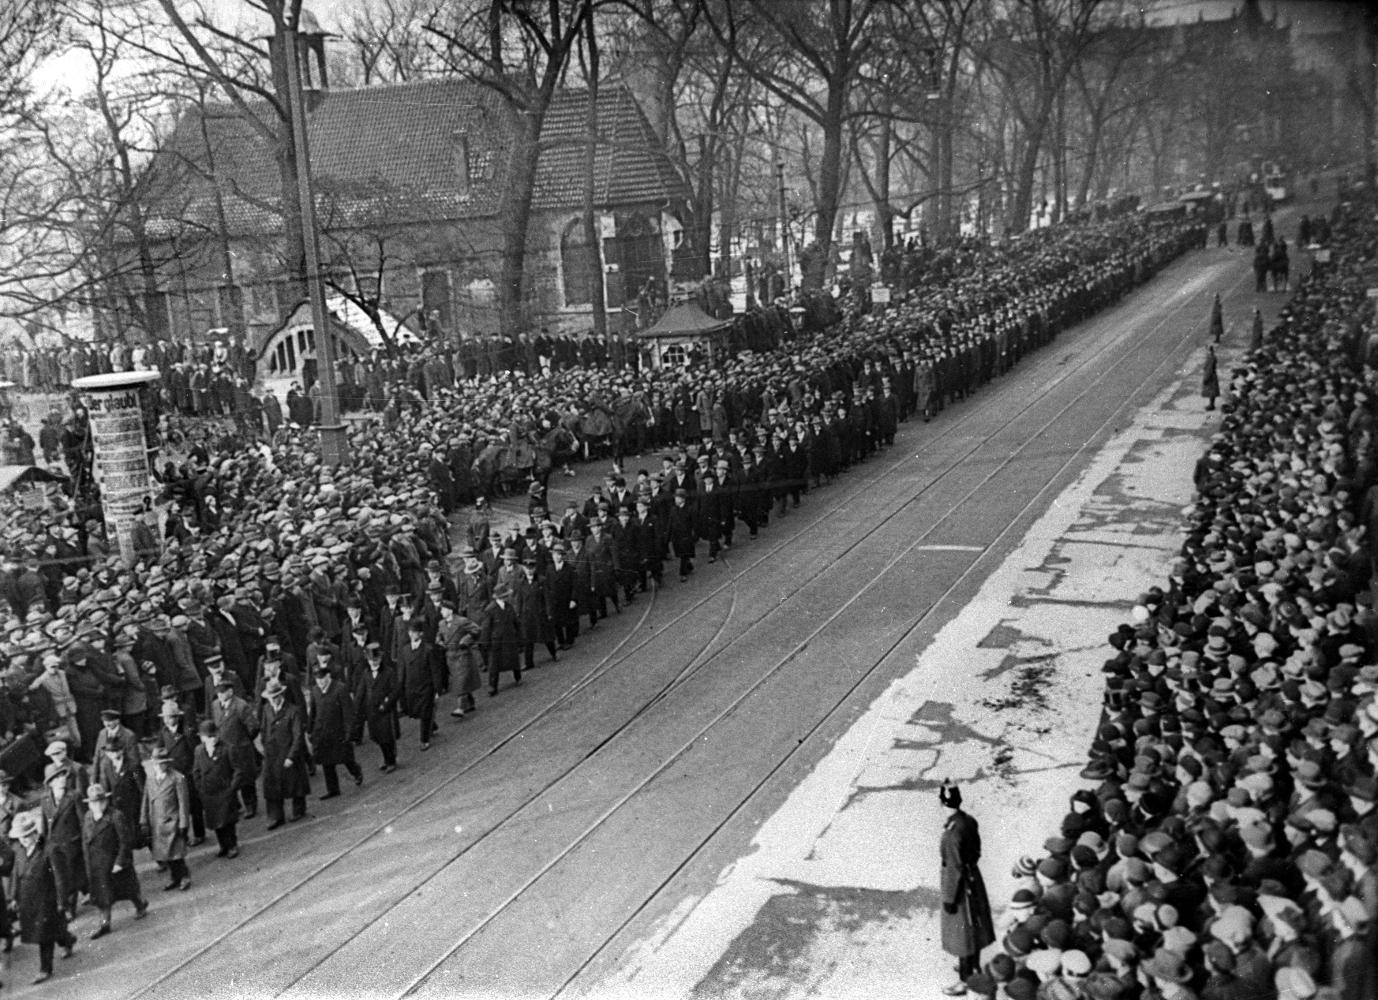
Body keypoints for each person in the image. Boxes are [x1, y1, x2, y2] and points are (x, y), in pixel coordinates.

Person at [938, 780, 993, 995]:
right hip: (973, 879)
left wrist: (950, 898)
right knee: (974, 928)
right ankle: (973, 965)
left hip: (959, 887)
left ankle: (965, 979)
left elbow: (953, 868)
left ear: (942, 803)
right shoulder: (969, 821)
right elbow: (977, 850)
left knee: (963, 934)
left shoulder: (952, 833)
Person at [9, 811, 76, 985]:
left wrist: (62, 901)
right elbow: (16, 875)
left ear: (34, 833)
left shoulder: (50, 850)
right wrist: (14, 897)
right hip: (28, 900)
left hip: (47, 900)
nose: (23, 840)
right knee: (49, 929)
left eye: (26, 835)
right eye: (20, 837)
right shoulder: (20, 851)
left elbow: (60, 878)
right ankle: (67, 939)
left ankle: (45, 969)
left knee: (43, 935)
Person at [79, 781, 147, 938]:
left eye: (100, 802)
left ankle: (140, 905)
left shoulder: (116, 816)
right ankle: (105, 924)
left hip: (113, 863)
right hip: (96, 865)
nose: (97, 806)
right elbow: (85, 840)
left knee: (127, 890)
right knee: (103, 896)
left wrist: (120, 862)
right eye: (93, 803)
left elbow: (125, 841)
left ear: (105, 801)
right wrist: (86, 861)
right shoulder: (88, 817)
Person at [256, 678, 310, 828]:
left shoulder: (293, 711)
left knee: (296, 782)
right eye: (271, 697)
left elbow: (298, 735)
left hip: (288, 752)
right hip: (272, 753)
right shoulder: (267, 709)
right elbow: (264, 728)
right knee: (272, 785)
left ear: (281, 695)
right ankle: (275, 816)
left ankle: (299, 809)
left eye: (276, 697)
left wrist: (291, 756)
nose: (273, 700)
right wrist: (264, 745)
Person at [306, 661, 363, 799]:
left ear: (328, 676)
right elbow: (313, 712)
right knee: (326, 761)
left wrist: (349, 732)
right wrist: (309, 729)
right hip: (322, 732)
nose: (320, 682)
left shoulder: (340, 688)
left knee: (345, 757)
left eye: (322, 678)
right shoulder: (315, 691)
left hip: (338, 731)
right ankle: (333, 789)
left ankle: (356, 772)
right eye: (317, 679)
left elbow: (348, 713)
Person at [140, 745, 191, 891]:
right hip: (156, 822)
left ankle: (184, 876)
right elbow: (146, 800)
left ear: (168, 763)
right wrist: (143, 819)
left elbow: (183, 803)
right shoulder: (150, 778)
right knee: (165, 854)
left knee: (177, 854)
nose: (160, 766)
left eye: (163, 763)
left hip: (172, 821)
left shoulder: (177, 778)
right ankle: (175, 878)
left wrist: (183, 823)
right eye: (157, 763)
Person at [191, 720, 242, 859]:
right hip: (209, 793)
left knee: (228, 821)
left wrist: (232, 788)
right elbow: (196, 771)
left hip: (225, 791)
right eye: (208, 737)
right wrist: (200, 788)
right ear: (202, 738)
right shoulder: (199, 751)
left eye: (214, 735)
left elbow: (238, 770)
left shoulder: (228, 748)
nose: (212, 739)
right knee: (215, 821)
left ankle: (232, 845)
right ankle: (223, 845)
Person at [351, 642, 399, 772]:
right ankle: (386, 758)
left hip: (385, 710)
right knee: (377, 737)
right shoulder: (366, 673)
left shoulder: (389, 672)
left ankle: (391, 761)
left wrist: (386, 703)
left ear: (381, 659)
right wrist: (355, 707)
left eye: (376, 659)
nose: (374, 662)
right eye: (371, 660)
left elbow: (395, 690)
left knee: (387, 737)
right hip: (371, 711)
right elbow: (360, 692)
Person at [1201, 345, 1220, 412]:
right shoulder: (1213, 356)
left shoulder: (1210, 358)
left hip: (1210, 376)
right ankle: (1211, 404)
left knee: (1211, 391)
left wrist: (1206, 378)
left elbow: (1209, 369)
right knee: (1212, 390)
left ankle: (1211, 405)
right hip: (1212, 375)